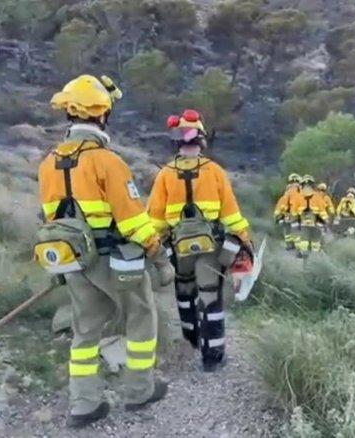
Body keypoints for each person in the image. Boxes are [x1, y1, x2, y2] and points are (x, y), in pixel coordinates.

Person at [37, 74, 175, 428]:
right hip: (115, 261)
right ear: (102, 115)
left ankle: (84, 405)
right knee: (141, 317)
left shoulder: (47, 163)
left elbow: (53, 219)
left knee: (85, 331)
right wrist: (160, 259)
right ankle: (139, 391)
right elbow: (133, 222)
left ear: (69, 113)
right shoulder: (107, 161)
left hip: (74, 261)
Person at [148, 109, 252, 372]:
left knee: (184, 291)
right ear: (202, 140)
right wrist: (244, 240)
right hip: (211, 246)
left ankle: (192, 337)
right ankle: (212, 356)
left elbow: (156, 218)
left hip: (178, 246)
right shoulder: (215, 171)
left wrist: (154, 246)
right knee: (210, 296)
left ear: (176, 142)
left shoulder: (165, 174)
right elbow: (231, 213)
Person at [291, 175, 329, 257]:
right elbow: (323, 211)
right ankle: (312, 260)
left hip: (309, 224)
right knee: (312, 244)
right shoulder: (317, 197)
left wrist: (294, 222)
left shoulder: (298, 197)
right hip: (312, 224)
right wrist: (325, 222)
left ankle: (309, 258)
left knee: (307, 243)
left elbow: (294, 212)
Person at [274, 174, 303, 250]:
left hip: (290, 215)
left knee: (288, 231)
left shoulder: (288, 192)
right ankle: (300, 248)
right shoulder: (303, 191)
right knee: (298, 232)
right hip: (301, 215)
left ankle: (291, 246)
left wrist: (277, 215)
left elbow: (281, 204)